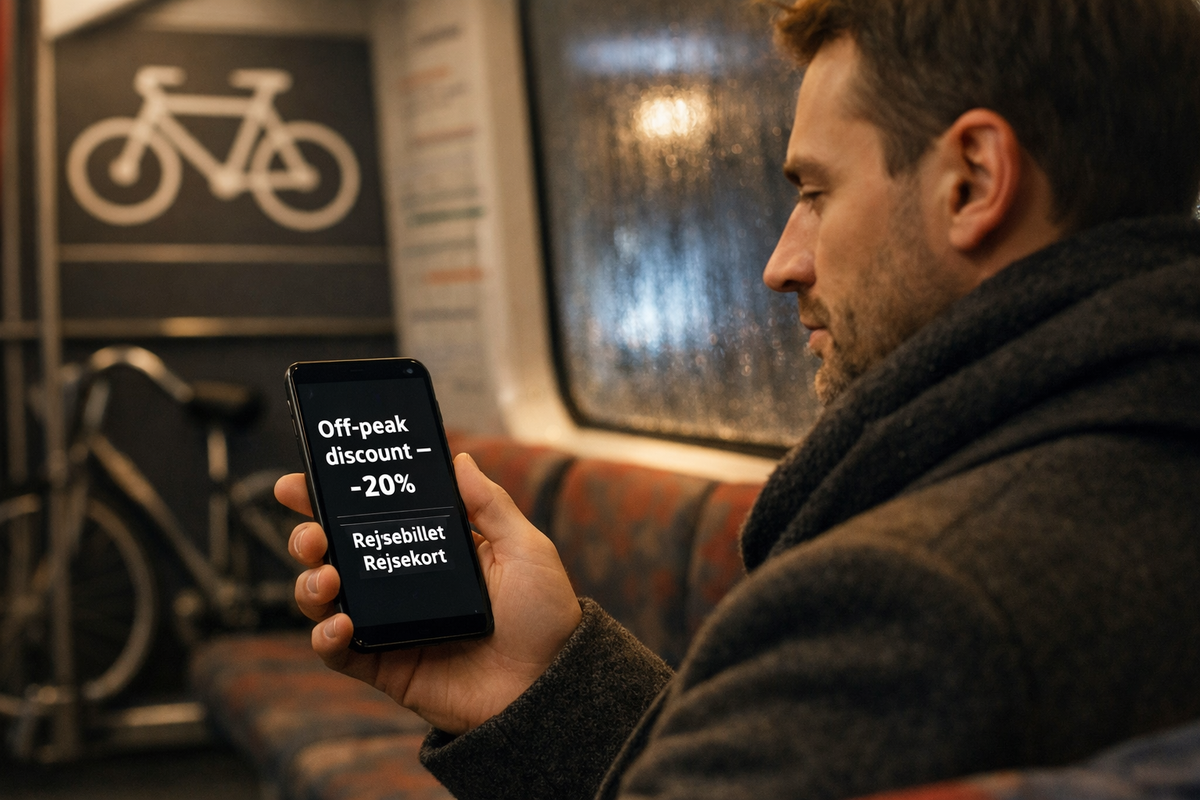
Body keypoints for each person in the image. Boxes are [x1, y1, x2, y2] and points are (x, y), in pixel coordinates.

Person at [274, 0, 1200, 797]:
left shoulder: (900, 607)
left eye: (816, 192)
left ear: (973, 181)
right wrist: (539, 683)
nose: (780, 263)